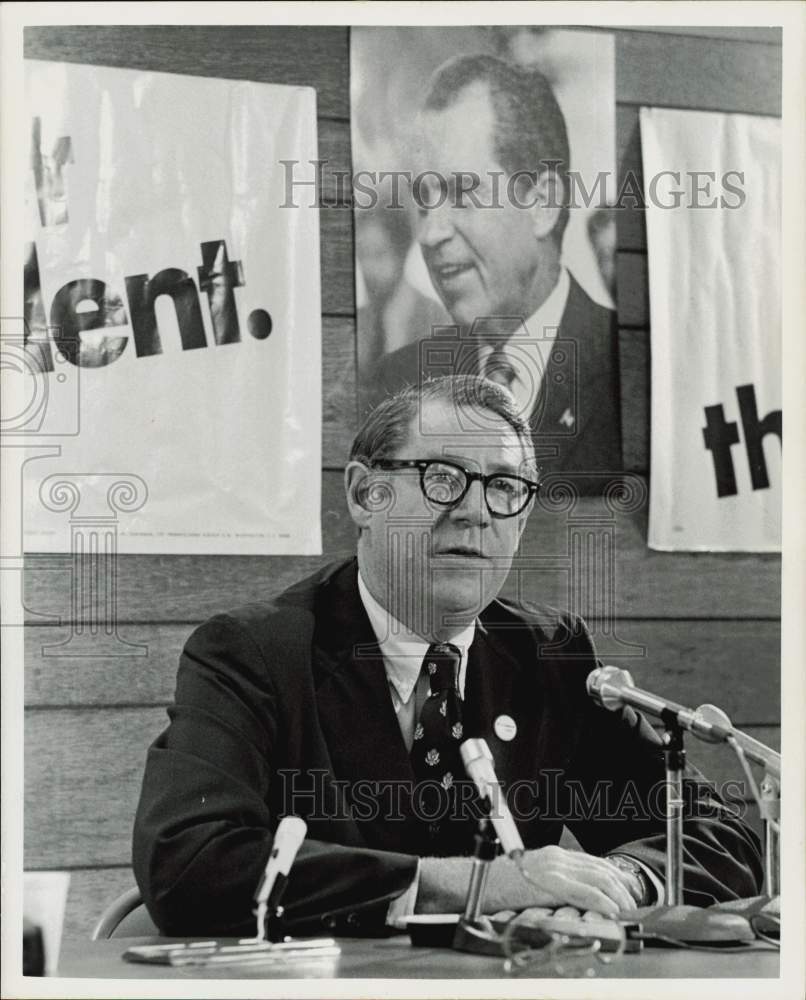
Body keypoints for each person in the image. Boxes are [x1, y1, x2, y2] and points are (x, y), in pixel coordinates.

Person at [133, 376, 761, 937]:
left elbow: (722, 838)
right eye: (441, 478)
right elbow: (188, 862)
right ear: (364, 494)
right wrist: (473, 884)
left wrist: (617, 879)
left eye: (506, 488)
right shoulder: (253, 654)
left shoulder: (549, 656)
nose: (475, 512)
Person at [365, 54, 621, 484]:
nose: (430, 234)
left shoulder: (628, 373)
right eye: (424, 200)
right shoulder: (399, 383)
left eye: (463, 193)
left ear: (541, 203)